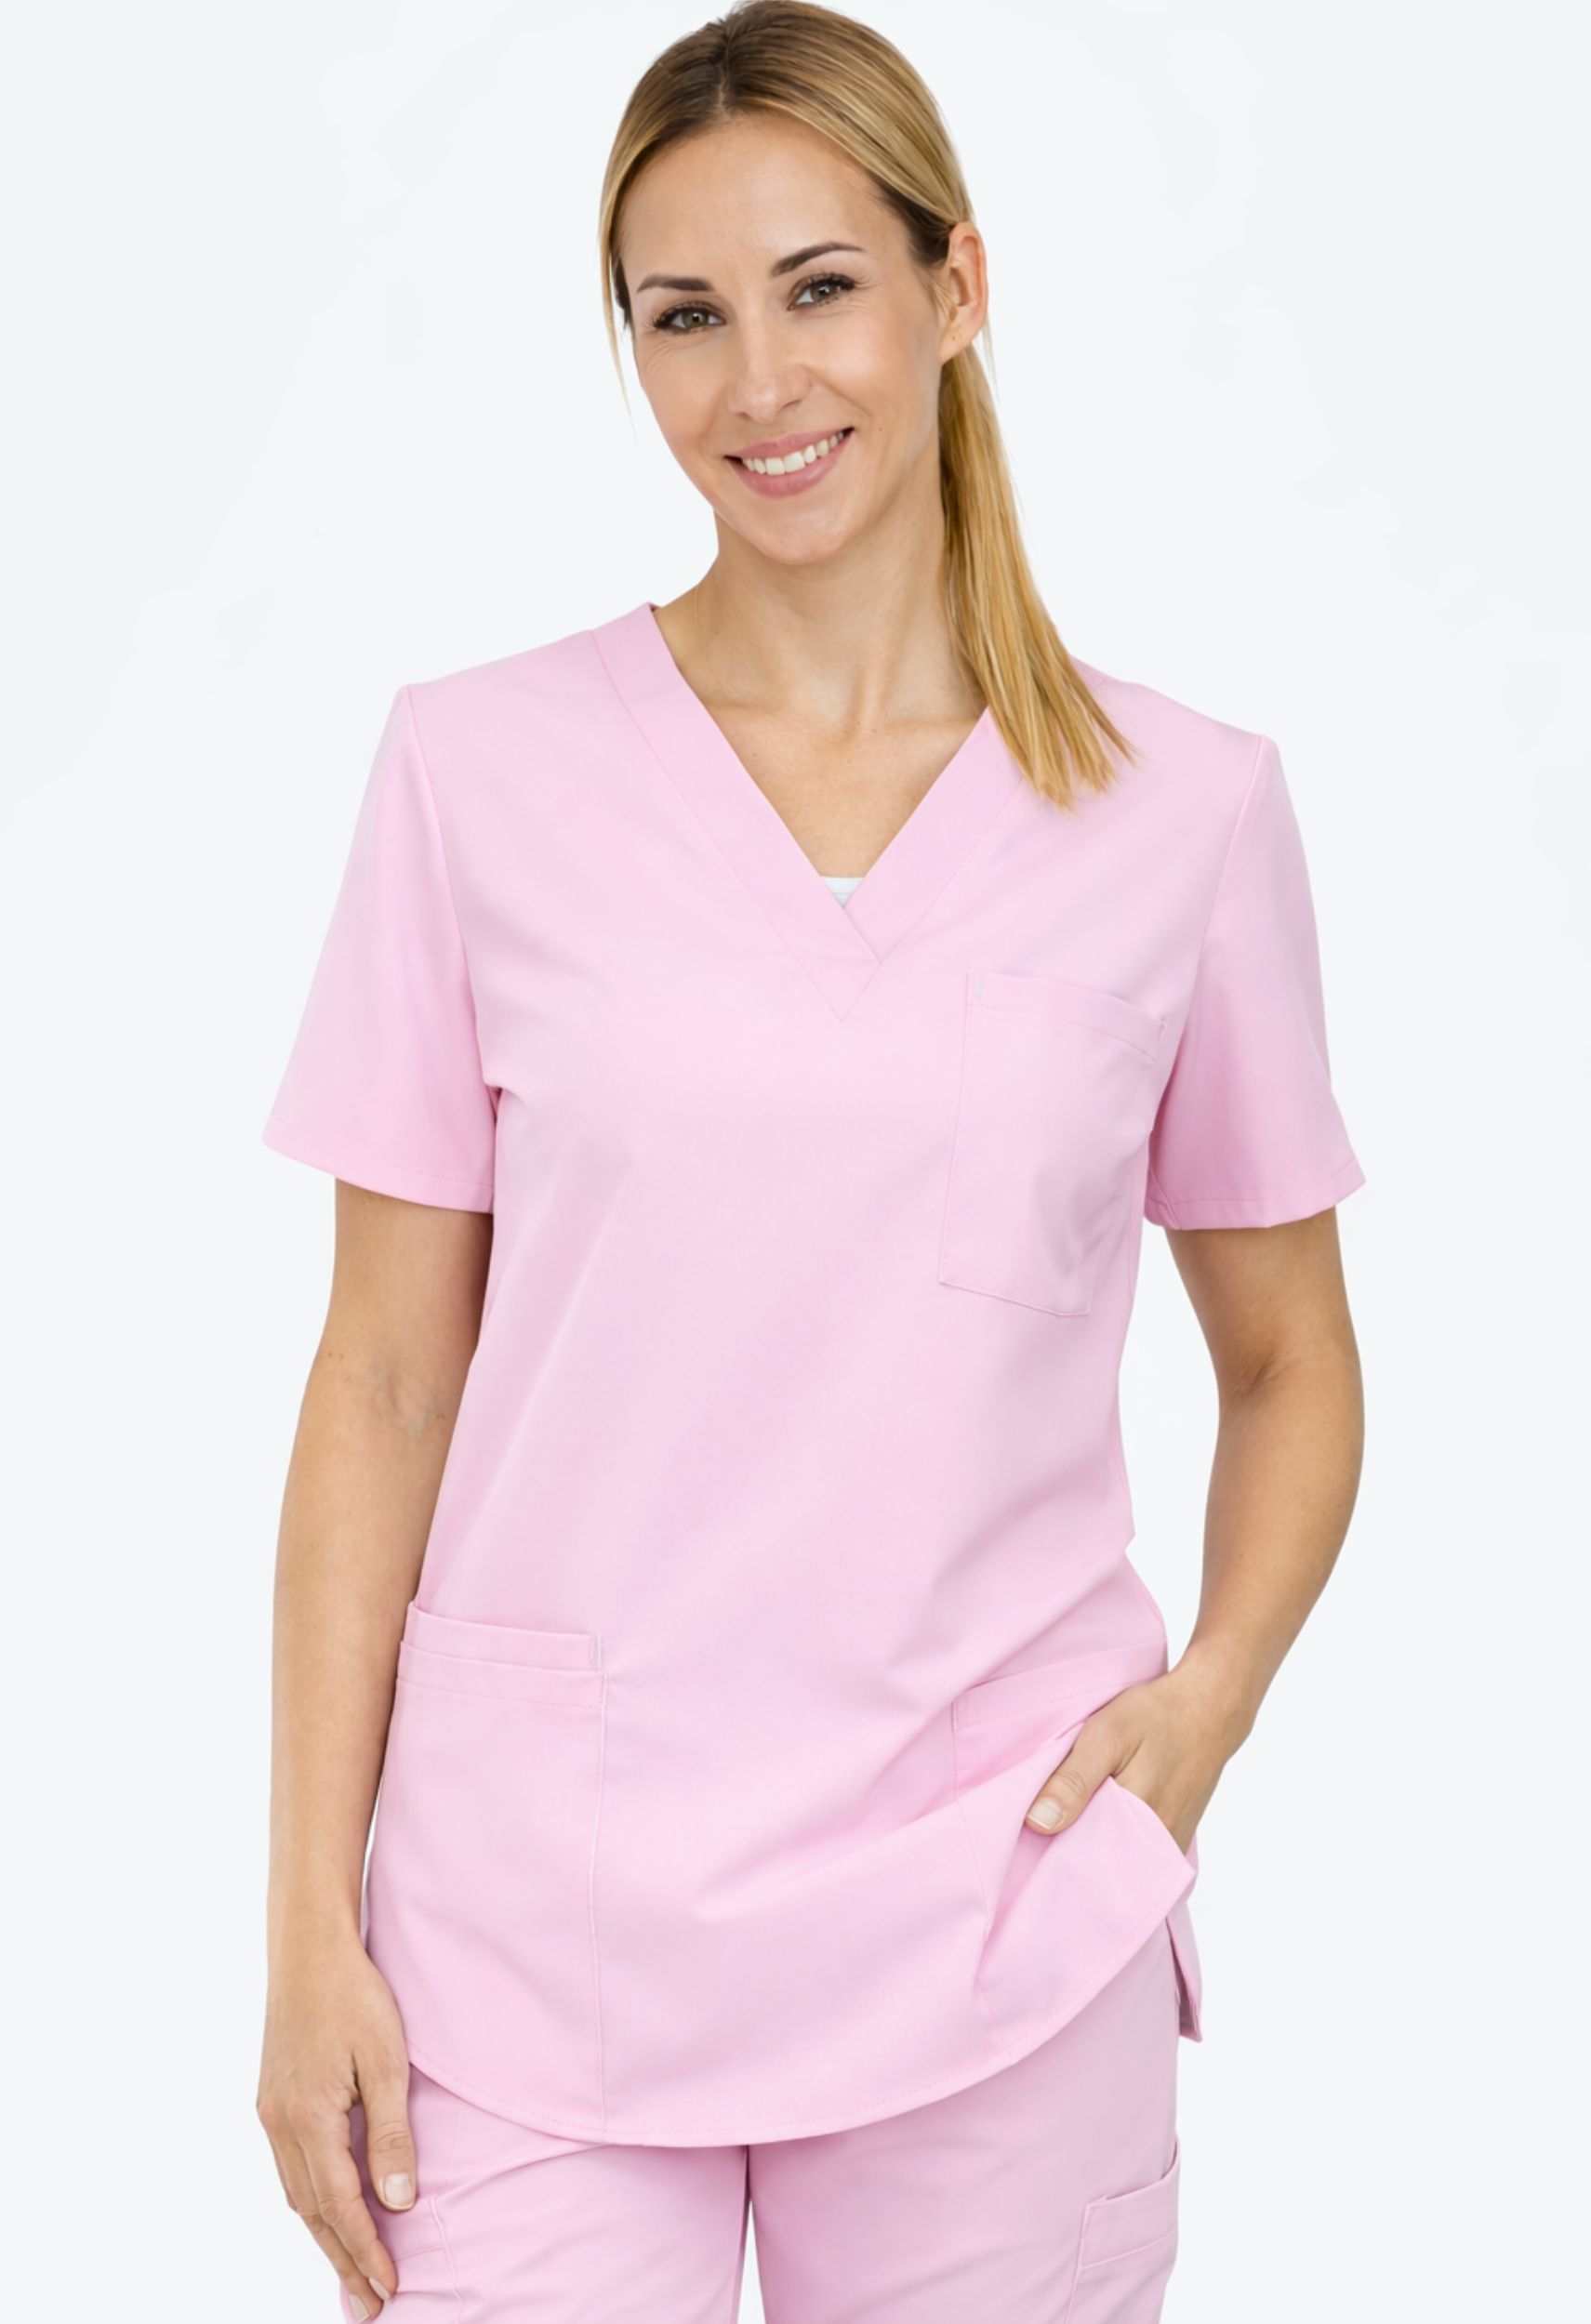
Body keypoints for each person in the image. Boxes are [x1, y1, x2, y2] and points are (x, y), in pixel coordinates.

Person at [253, 5, 1367, 2317]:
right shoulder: (477, 778)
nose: (758, 380)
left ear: (958, 287)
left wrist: (1203, 1712)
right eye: (683, 315)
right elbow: (379, 1377)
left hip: (995, 1907)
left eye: (820, 286)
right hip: (533, 1921)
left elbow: (1288, 1360)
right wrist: (302, 1930)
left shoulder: (1180, 813)